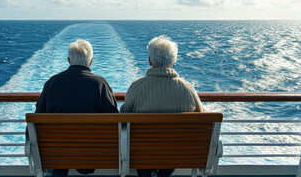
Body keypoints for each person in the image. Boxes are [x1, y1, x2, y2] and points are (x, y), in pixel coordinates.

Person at [32, 39, 119, 177]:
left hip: (56, 155)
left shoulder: (52, 83)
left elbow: (37, 118)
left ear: (68, 60)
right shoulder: (100, 84)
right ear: (90, 61)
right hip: (90, 155)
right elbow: (115, 120)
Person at [120, 35, 204, 177]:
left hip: (143, 155)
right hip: (175, 155)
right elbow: (201, 118)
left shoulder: (137, 87)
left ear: (150, 60)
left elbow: (123, 116)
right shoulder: (187, 88)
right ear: (173, 61)